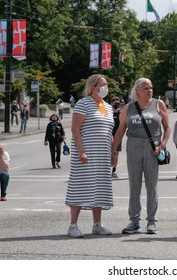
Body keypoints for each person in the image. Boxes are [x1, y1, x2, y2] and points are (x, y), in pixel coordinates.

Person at [112, 78, 171, 234]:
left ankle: (151, 221)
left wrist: (162, 145)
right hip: (133, 147)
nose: (149, 90)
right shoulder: (128, 108)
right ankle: (134, 221)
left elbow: (167, 127)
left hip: (153, 149)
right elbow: (119, 131)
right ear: (137, 90)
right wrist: (113, 151)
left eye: (151, 87)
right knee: (134, 185)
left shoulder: (159, 104)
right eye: (145, 88)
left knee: (152, 186)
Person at [65, 74, 114, 238]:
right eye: (102, 84)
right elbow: (75, 128)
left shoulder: (107, 106)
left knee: (99, 188)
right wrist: (81, 151)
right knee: (80, 187)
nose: (105, 87)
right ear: (93, 87)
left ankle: (97, 225)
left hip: (102, 155)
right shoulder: (83, 103)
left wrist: (113, 152)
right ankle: (73, 225)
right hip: (86, 154)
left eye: (106, 85)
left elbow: (109, 131)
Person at [111, 96, 121, 179]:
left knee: (116, 154)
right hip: (108, 137)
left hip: (117, 136)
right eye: (115, 103)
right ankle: (106, 170)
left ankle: (114, 171)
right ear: (111, 103)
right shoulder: (108, 113)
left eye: (118, 103)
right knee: (108, 154)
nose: (117, 105)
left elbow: (122, 125)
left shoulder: (119, 113)